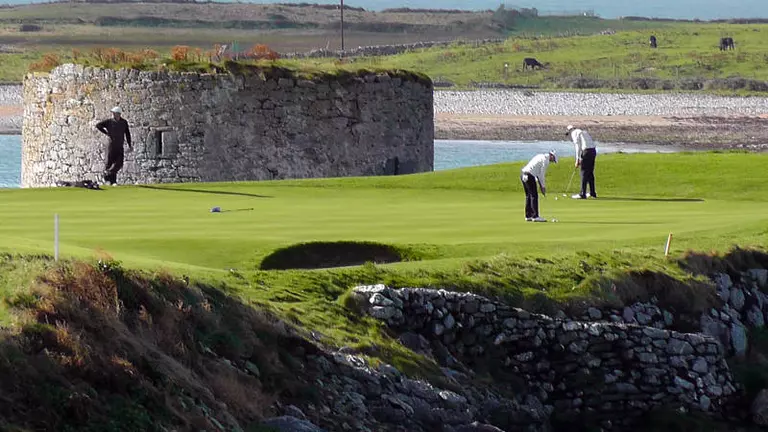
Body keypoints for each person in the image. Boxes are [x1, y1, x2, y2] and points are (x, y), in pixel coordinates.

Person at [96, 106, 132, 186]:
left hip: (119, 145)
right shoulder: (109, 121)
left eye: (114, 113)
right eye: (112, 113)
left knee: (119, 162)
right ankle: (110, 181)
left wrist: (130, 145)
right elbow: (98, 125)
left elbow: (127, 133)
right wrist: (106, 132)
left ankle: (108, 174)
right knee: (109, 162)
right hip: (110, 145)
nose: (112, 114)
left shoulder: (124, 122)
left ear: (118, 114)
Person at [521, 151, 557, 222]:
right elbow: (541, 175)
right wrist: (543, 187)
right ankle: (535, 216)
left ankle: (528, 215)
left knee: (529, 195)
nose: (552, 161)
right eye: (553, 160)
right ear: (552, 156)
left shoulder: (540, 156)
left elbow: (537, 172)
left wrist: (541, 185)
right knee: (534, 196)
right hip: (529, 175)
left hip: (523, 174)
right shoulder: (545, 161)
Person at [566, 124, 597, 199]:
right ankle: (592, 193)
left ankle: (582, 193)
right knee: (590, 172)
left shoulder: (574, 133)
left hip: (586, 151)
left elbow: (578, 147)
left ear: (570, 131)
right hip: (593, 151)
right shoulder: (583, 132)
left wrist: (577, 159)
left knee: (583, 172)